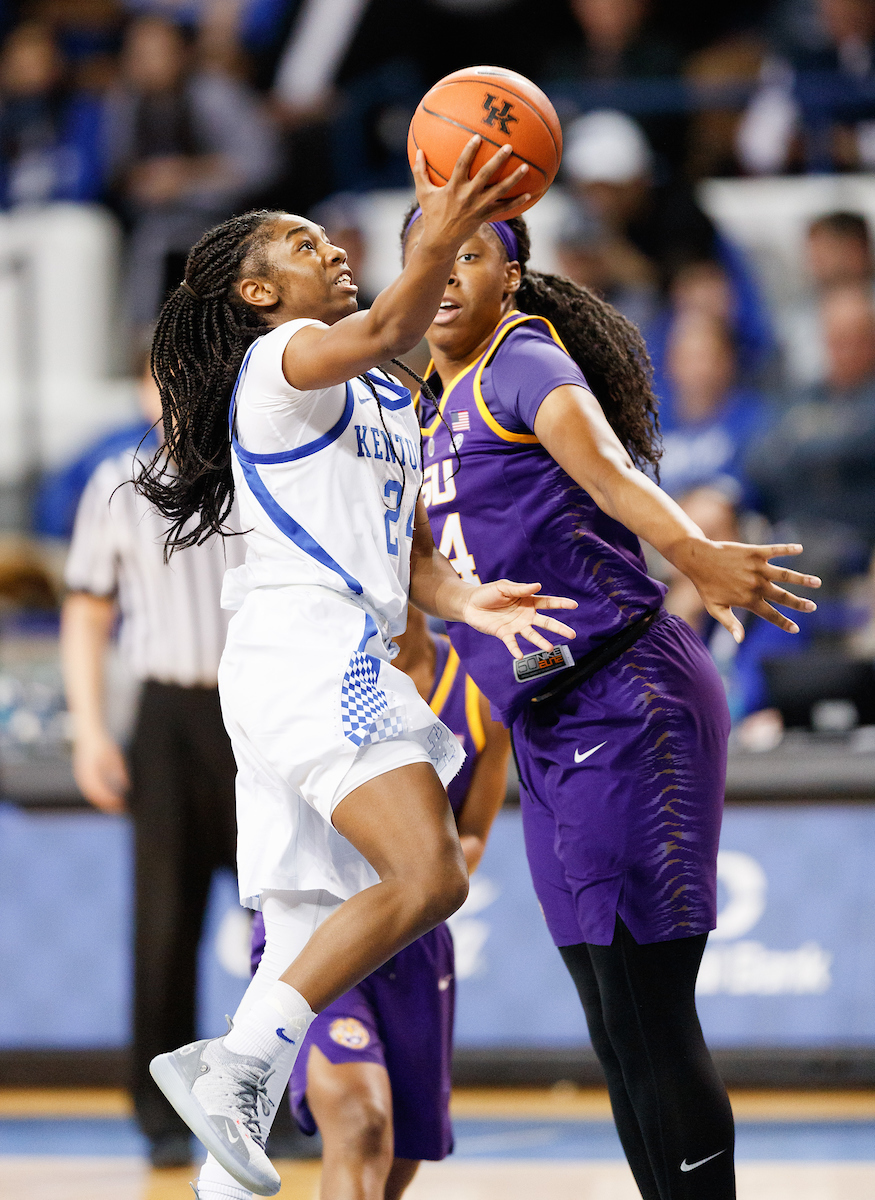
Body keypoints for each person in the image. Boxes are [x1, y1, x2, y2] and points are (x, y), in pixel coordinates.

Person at [137, 136, 576, 1200]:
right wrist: (440, 229)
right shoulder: (277, 364)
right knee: (429, 874)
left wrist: (466, 598)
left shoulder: (383, 395)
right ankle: (236, 1064)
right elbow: (387, 319)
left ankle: (232, 1095)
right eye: (300, 243)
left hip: (313, 657)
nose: (330, 248)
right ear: (256, 290)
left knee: (297, 951)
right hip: (308, 650)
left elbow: (410, 557)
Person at [401, 202, 820, 1200]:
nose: (450, 273)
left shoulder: (524, 361)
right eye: (431, 254)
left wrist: (691, 551)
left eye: (472, 254)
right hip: (545, 726)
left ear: (511, 278)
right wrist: (454, 599)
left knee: (647, 1014)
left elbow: (610, 469)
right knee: (609, 1022)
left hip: (625, 698)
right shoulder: (420, 404)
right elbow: (417, 563)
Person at [250, 602, 510, 1199]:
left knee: (397, 1161)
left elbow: (472, 835)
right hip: (320, 929)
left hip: (414, 936)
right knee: (361, 1126)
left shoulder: (477, 691)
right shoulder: (312, 674)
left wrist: (411, 867)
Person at [59, 366, 245, 1169]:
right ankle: (162, 1115)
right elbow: (86, 608)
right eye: (158, 383)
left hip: (255, 716)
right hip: (166, 717)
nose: (172, 399)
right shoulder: (115, 480)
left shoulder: (255, 465)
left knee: (282, 920)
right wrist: (90, 730)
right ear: (140, 392)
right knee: (165, 923)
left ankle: (285, 1099)